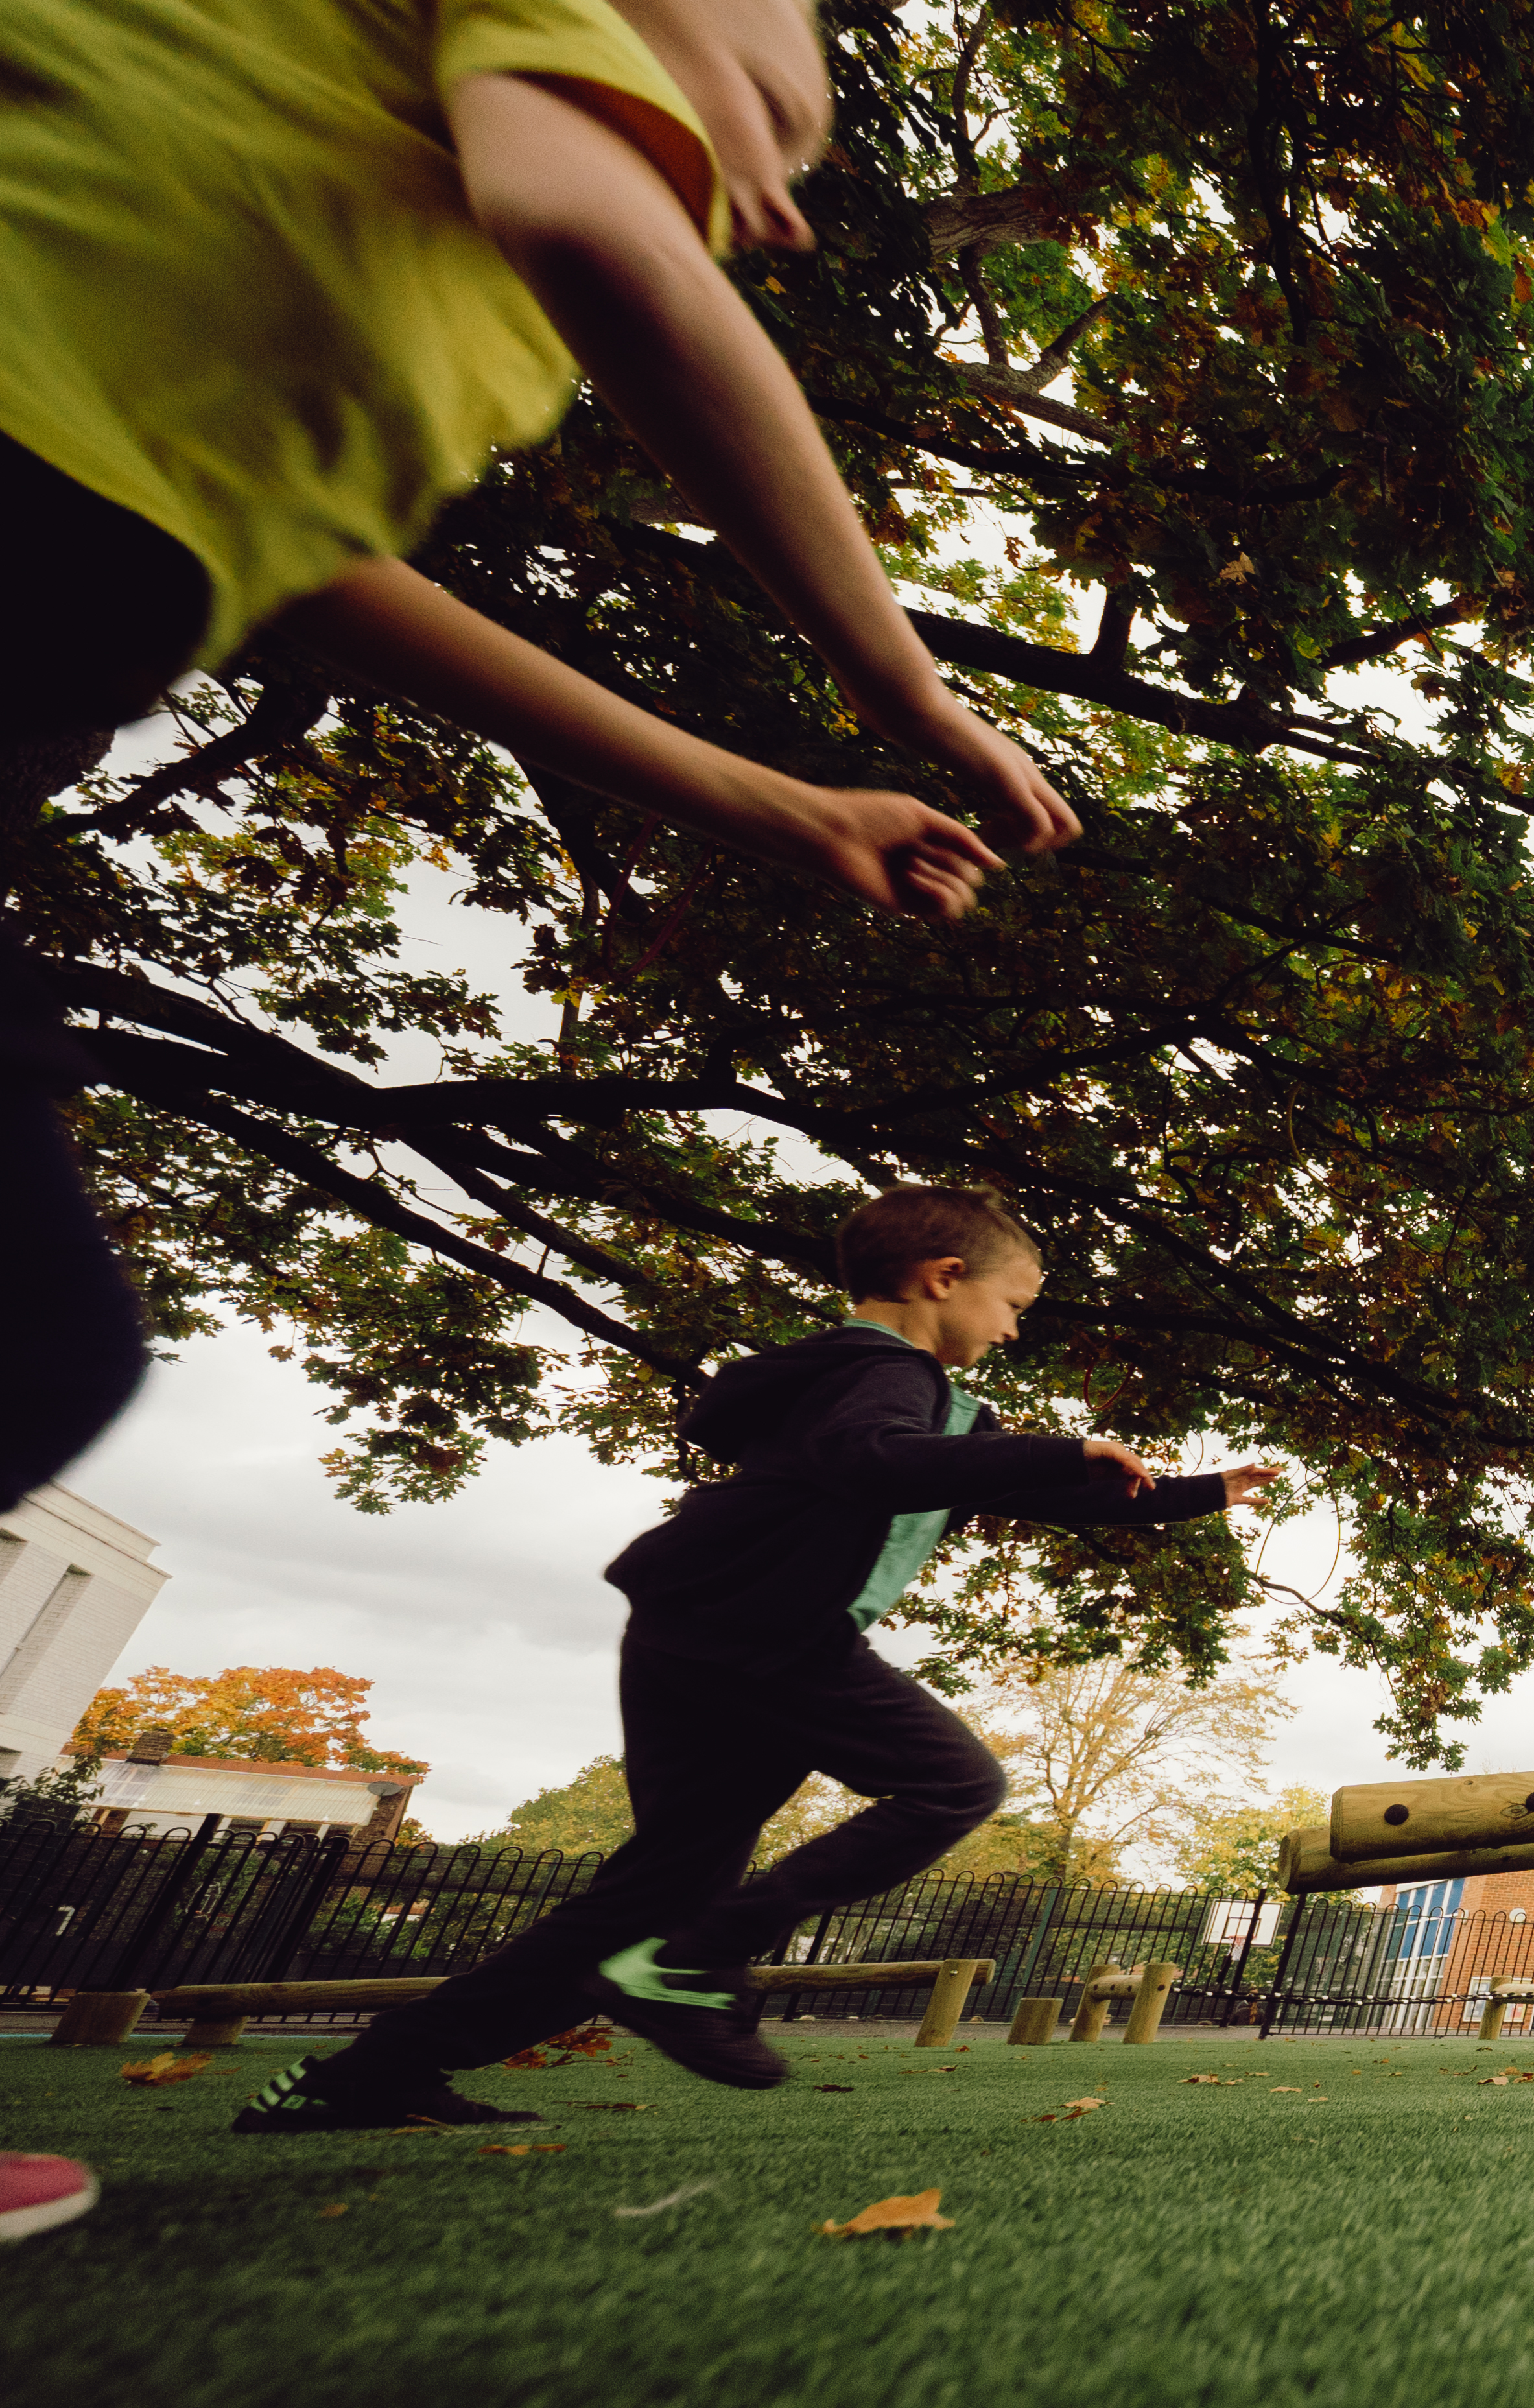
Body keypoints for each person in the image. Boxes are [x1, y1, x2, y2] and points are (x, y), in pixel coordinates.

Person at [3, 0, 1083, 1507]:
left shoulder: (366, 199)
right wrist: (903, 678)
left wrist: (773, 804)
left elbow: (329, 579)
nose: (775, 207)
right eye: (773, 116)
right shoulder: (542, 154)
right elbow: (595, 226)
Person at [233, 1185, 1264, 2131]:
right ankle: (697, 1965)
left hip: (703, 1634)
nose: (1014, 1325)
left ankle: (365, 2076)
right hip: (761, 1633)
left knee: (656, 1891)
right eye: (1016, 1303)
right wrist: (1057, 1447)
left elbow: (1022, 1485)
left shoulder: (936, 1406)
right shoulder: (876, 1375)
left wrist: (1199, 1492)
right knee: (953, 1782)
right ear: (943, 1280)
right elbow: (867, 1462)